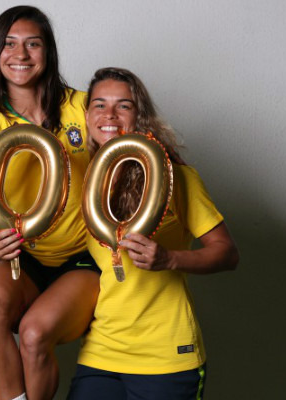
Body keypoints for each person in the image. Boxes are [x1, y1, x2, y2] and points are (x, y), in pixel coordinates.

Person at [67, 67, 240, 400]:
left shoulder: (176, 178)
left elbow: (227, 252)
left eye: (124, 106)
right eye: (99, 105)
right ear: (87, 115)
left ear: (139, 116)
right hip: (102, 351)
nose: (110, 115)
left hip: (166, 356)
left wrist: (170, 258)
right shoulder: (86, 181)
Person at [0, 6, 100, 400]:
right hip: (22, 257)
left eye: (32, 44)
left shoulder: (83, 106)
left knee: (35, 333)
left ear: (48, 52)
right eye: (9, 44)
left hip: (81, 258)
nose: (20, 55)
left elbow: (124, 160)